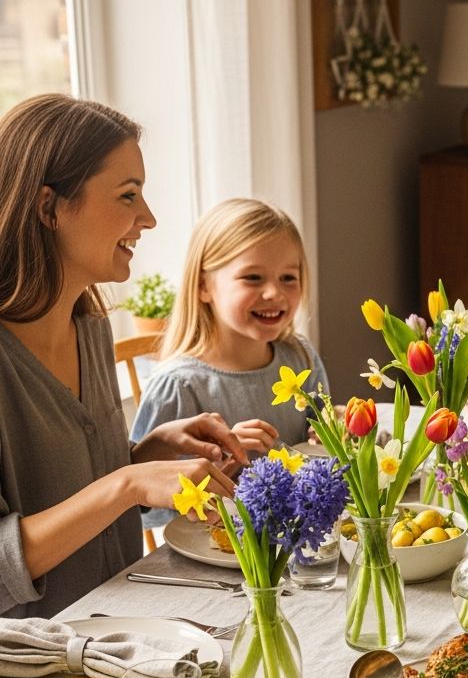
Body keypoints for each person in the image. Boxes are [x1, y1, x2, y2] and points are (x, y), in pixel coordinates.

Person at [0, 95, 243, 620]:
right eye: (128, 195)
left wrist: (145, 455)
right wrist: (126, 484)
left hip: (122, 633)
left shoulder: (89, 327)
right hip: (33, 675)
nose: (148, 218)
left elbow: (70, 492)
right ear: (48, 208)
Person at [130, 199, 328, 530]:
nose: (273, 293)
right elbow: (144, 507)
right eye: (253, 277)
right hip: (214, 554)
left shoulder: (301, 358)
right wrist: (222, 465)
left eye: (288, 278)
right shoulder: (177, 387)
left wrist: (332, 431)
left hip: (294, 539)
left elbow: (318, 449)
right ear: (204, 286)